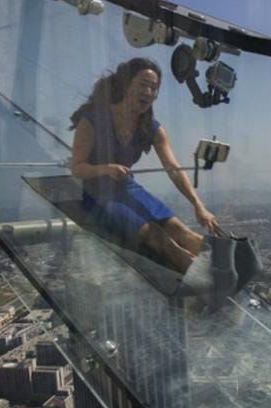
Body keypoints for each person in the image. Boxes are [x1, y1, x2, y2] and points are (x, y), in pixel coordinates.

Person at [69, 58, 217, 275]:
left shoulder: (151, 128)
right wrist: (106, 169)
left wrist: (198, 205)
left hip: (128, 188)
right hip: (97, 194)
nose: (148, 92)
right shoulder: (93, 120)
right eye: (143, 85)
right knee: (159, 239)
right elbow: (77, 168)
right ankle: (203, 282)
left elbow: (173, 168)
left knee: (181, 231)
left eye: (154, 88)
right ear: (126, 85)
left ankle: (223, 267)